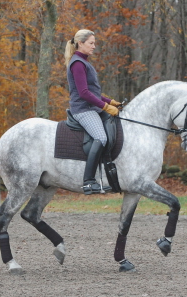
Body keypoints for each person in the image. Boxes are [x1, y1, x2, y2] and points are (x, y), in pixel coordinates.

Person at [64, 29, 121, 195]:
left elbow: (93, 92)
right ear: (80, 43)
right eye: (91, 43)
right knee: (101, 137)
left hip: (92, 106)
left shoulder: (84, 62)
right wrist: (105, 107)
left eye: (94, 43)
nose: (94, 46)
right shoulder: (78, 64)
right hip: (83, 109)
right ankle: (88, 181)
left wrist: (110, 102)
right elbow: (84, 93)